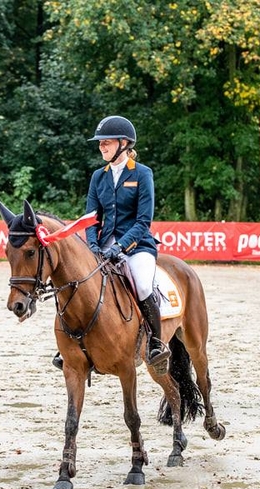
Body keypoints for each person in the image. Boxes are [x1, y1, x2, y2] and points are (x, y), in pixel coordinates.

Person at [85, 115, 171, 375]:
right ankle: (76, 344)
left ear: (124, 143)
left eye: (106, 142)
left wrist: (120, 247)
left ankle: (155, 342)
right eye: (100, 144)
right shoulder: (98, 177)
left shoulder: (142, 174)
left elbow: (144, 220)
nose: (102, 147)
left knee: (143, 284)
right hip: (102, 246)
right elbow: (91, 218)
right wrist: (92, 245)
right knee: (80, 281)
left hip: (136, 246)